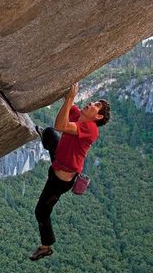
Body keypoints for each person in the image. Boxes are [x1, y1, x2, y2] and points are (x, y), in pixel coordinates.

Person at [30, 82, 110, 261]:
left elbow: (61, 124)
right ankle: (46, 140)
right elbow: (66, 101)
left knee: (41, 211)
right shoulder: (79, 116)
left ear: (97, 117)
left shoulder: (91, 130)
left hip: (60, 180)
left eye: (97, 106)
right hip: (59, 161)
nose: (92, 103)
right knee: (50, 133)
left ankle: (46, 247)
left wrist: (72, 97)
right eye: (95, 101)